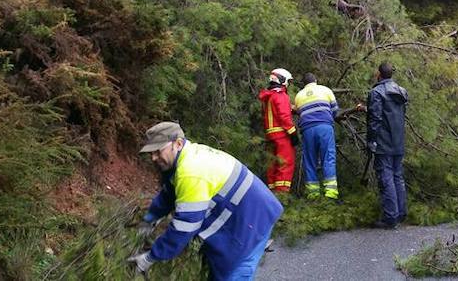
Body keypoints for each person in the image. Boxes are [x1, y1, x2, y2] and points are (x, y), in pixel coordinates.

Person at [128, 122, 282, 280]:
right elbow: (169, 194)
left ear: (178, 143)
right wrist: (150, 219)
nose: (154, 158)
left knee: (231, 273)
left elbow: (185, 227)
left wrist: (151, 257)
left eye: (158, 151)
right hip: (247, 211)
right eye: (151, 153)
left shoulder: (191, 172)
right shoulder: (183, 159)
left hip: (252, 220)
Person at [367, 62, 409, 229]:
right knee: (397, 176)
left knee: (386, 178)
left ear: (379, 74)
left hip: (383, 142)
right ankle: (400, 213)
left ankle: (390, 217)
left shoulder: (376, 93)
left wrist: (371, 141)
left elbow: (375, 119)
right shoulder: (401, 92)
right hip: (398, 140)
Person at [293, 73, 340, 200]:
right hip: (324, 127)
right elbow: (335, 110)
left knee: (310, 160)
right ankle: (330, 193)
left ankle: (313, 193)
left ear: (304, 84)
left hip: (307, 129)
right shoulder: (325, 90)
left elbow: (298, 111)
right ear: (316, 81)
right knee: (328, 158)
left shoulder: (298, 96)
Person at [258, 68, 299, 193]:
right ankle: (282, 195)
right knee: (285, 164)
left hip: (270, 136)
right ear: (282, 80)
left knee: (272, 166)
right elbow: (284, 117)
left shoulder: (268, 96)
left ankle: (272, 194)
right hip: (282, 135)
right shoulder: (281, 95)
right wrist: (293, 133)